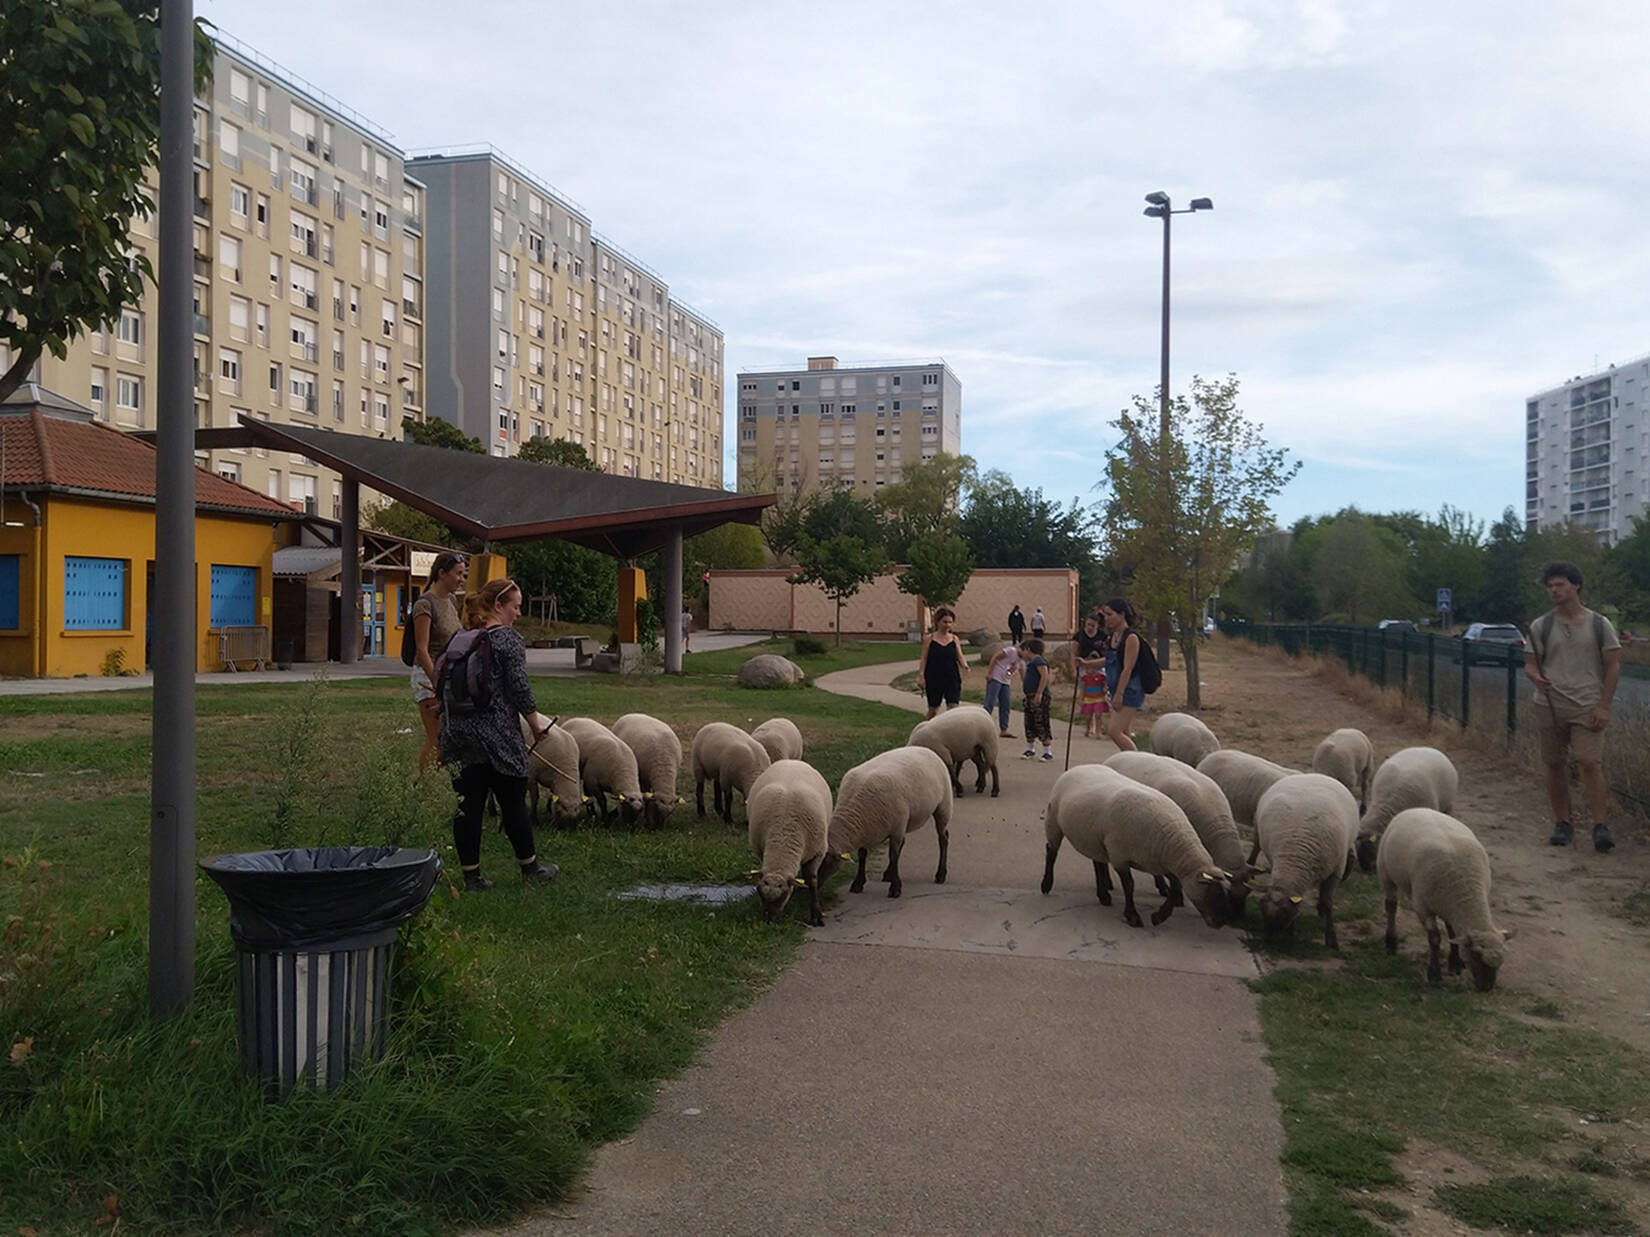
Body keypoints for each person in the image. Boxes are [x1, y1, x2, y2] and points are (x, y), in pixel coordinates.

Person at [440, 577, 559, 889]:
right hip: (496, 734)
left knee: (468, 805)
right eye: (515, 607)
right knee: (513, 800)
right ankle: (531, 870)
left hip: (459, 733)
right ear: (498, 606)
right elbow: (519, 687)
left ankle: (471, 876)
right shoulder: (507, 640)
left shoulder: (464, 637)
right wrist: (535, 724)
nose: (518, 613)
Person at [1525, 561, 1622, 852]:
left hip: (1587, 705)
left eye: (1560, 585)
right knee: (1554, 764)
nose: (1554, 591)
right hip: (1550, 705)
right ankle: (1562, 823)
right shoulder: (1541, 626)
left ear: (1575, 585)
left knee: (1590, 762)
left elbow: (1613, 666)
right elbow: (1530, 664)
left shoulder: (1598, 624)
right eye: (1550, 586)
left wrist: (1604, 706)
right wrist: (1536, 678)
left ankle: (1600, 826)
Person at [410, 552, 466, 774]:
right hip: (428, 677)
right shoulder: (424, 604)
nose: (462, 579)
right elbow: (422, 650)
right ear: (442, 573)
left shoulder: (451, 600)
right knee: (437, 738)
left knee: (449, 738)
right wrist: (437, 681)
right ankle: (423, 791)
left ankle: (432, 784)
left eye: (464, 574)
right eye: (458, 574)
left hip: (449, 674)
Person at [1100, 598, 1145, 752]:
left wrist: (1119, 694)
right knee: (1125, 732)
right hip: (1116, 689)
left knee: (1114, 731)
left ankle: (1138, 764)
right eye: (1105, 615)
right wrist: (1086, 664)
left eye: (1110, 614)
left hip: (1129, 690)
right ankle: (1129, 764)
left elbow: (1128, 668)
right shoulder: (1113, 637)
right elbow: (1108, 661)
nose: (1106, 618)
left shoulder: (1131, 638)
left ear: (1122, 615)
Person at [917, 606, 969, 719]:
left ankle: (949, 734)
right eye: (944, 622)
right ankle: (925, 731)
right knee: (933, 709)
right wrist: (921, 676)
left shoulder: (954, 639)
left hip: (952, 677)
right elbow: (924, 658)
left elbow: (960, 655)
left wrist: (965, 665)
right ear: (938, 622)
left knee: (952, 708)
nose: (947, 625)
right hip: (934, 677)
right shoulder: (929, 639)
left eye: (950, 622)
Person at [1071, 612, 1109, 738]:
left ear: (1098, 626)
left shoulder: (1103, 636)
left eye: (1093, 625)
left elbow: (1107, 653)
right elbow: (1074, 653)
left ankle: (1098, 724)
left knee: (1099, 694)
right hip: (1084, 666)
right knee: (1087, 693)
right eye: (1088, 625)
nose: (1090, 627)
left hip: (1099, 667)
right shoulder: (1079, 636)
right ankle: (1090, 724)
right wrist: (1074, 668)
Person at [1020, 638, 1054, 761]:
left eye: (1023, 650)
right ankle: (1030, 748)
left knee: (1041, 722)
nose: (1022, 653)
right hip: (1029, 697)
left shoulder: (1039, 660)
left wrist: (1039, 693)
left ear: (1029, 649)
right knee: (1029, 722)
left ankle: (1047, 751)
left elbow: (1044, 676)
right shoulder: (1030, 663)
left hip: (1038, 696)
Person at [982, 640, 1022, 737]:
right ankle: (982, 726)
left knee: (1006, 704)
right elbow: (995, 657)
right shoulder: (1011, 651)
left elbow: (1022, 672)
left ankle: (1004, 729)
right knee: (990, 702)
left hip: (1006, 681)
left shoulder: (1022, 661)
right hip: (996, 677)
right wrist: (990, 672)